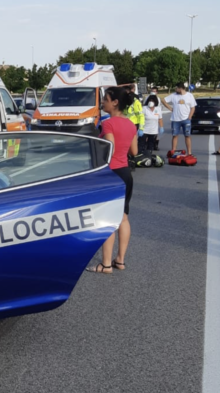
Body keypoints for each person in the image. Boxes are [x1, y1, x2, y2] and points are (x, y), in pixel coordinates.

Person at [86, 86, 138, 274]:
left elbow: (110, 149)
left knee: (107, 220)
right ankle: (120, 260)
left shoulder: (108, 124)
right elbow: (134, 152)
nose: (103, 103)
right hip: (125, 173)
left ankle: (105, 264)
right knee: (123, 218)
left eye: (106, 99)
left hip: (110, 174)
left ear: (115, 102)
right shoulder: (131, 124)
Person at [160, 82, 197, 155]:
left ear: (180, 88)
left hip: (186, 119)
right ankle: (173, 151)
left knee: (187, 136)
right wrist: (170, 108)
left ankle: (189, 153)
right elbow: (163, 100)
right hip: (175, 119)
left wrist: (190, 116)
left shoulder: (189, 96)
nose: (175, 89)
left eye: (176, 88)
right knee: (175, 135)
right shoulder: (173, 95)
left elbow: (193, 107)